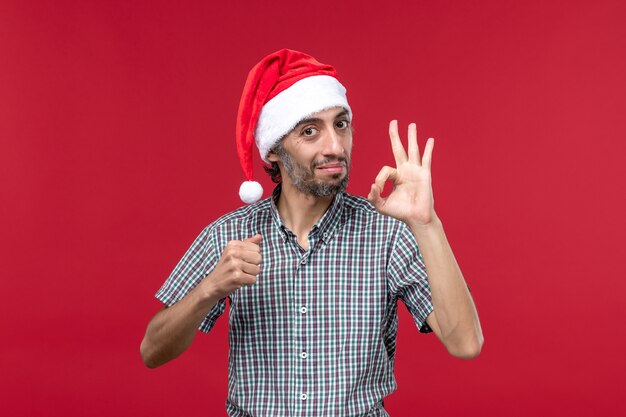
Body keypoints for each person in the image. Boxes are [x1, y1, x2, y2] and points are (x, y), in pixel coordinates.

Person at [140, 49, 483, 417]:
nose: (334, 147)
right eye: (309, 131)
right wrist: (209, 290)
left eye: (341, 124)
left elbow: (465, 343)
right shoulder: (230, 234)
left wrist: (426, 224)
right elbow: (152, 351)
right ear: (273, 151)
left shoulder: (387, 234)